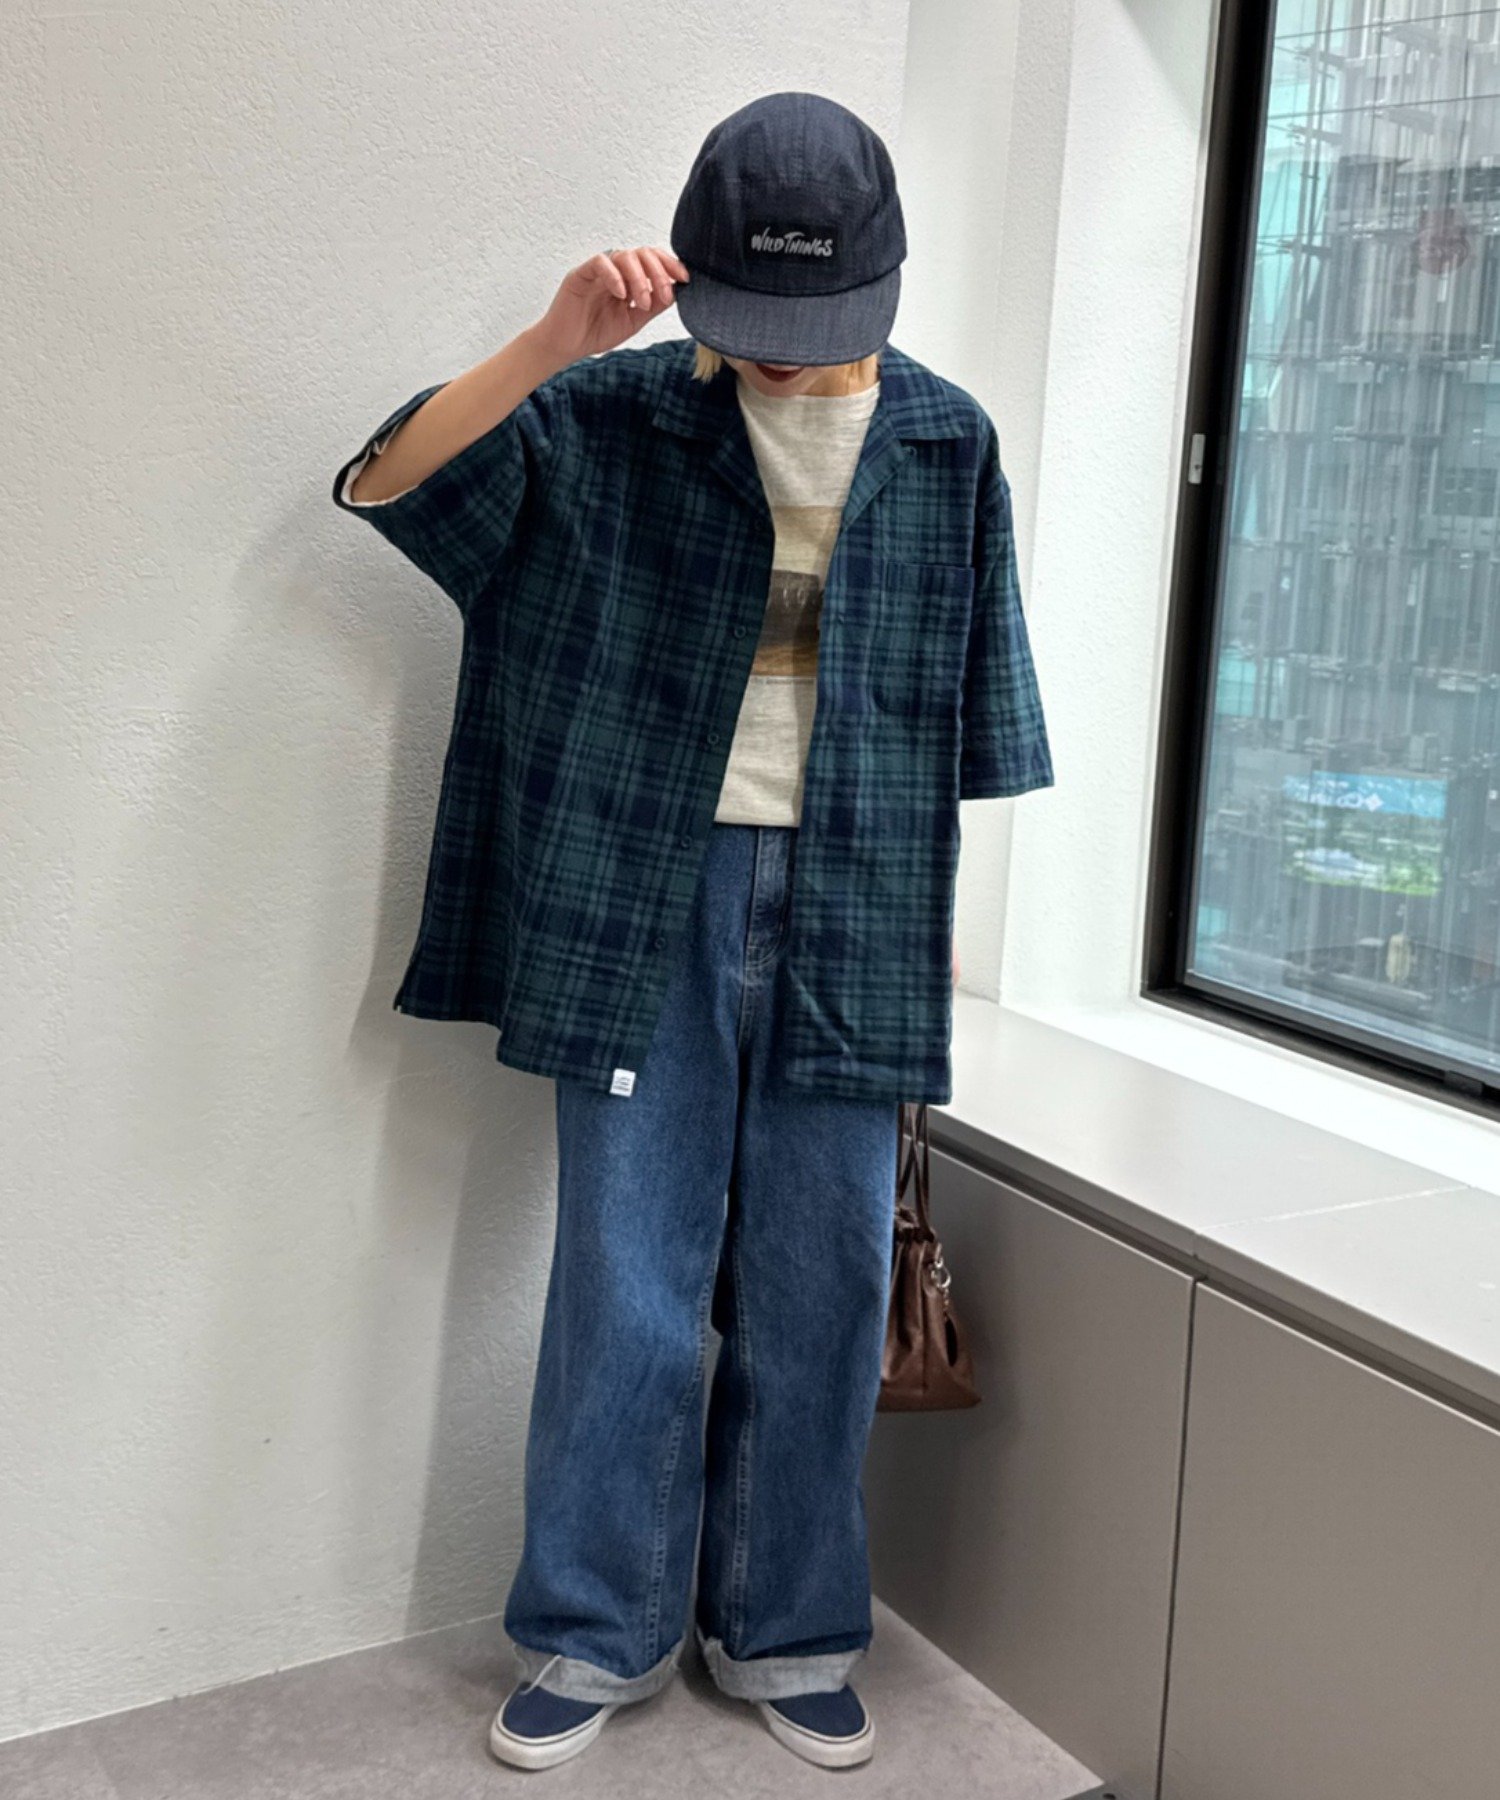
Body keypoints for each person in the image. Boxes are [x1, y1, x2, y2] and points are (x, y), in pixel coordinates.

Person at [331, 91, 1053, 1773]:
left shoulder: (944, 441)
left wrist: (936, 929)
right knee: (626, 1274)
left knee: (822, 1278)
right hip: (644, 890)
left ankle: (787, 1626)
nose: (784, 358)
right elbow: (388, 485)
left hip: (861, 894)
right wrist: (553, 340)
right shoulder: (613, 414)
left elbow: (963, 721)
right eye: (753, 319)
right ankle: (596, 1628)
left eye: (817, 321)